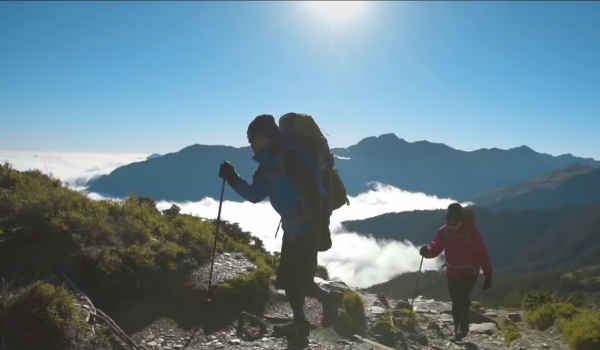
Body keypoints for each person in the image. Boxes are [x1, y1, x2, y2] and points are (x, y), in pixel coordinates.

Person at [218, 114, 342, 338]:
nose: (251, 144)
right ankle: (327, 299)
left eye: (252, 138)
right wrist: (232, 177)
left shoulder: (290, 157)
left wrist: (319, 225)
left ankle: (301, 322)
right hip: (296, 229)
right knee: (292, 277)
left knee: (295, 279)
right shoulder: (272, 160)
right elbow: (256, 194)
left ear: (265, 136)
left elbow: (315, 192)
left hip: (305, 229)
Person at [419, 203, 493, 341]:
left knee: (462, 298)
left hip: (469, 273)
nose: (451, 227)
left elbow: (482, 255)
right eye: (449, 224)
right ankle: (457, 330)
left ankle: (462, 329)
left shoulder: (471, 233)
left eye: (455, 224)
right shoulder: (444, 231)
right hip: (452, 272)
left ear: (461, 221)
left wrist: (487, 275)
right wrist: (427, 252)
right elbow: (436, 247)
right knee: (455, 301)